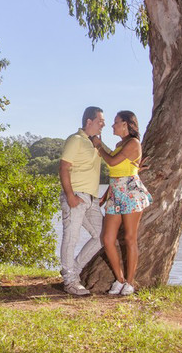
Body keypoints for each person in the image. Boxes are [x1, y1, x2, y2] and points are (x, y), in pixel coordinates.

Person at [91, 110, 152, 295]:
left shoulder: (133, 143)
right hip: (115, 191)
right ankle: (119, 279)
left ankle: (130, 283)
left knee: (129, 238)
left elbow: (113, 161)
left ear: (125, 124)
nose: (112, 125)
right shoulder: (120, 143)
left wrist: (98, 146)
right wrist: (107, 193)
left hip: (130, 192)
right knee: (108, 239)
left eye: (116, 122)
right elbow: (116, 168)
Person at [57, 106, 105, 296]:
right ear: (89, 122)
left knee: (101, 237)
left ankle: (73, 271)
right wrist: (70, 195)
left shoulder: (94, 143)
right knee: (71, 237)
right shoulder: (75, 140)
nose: (103, 124)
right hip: (76, 195)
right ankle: (69, 281)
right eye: (100, 121)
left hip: (92, 199)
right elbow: (64, 167)